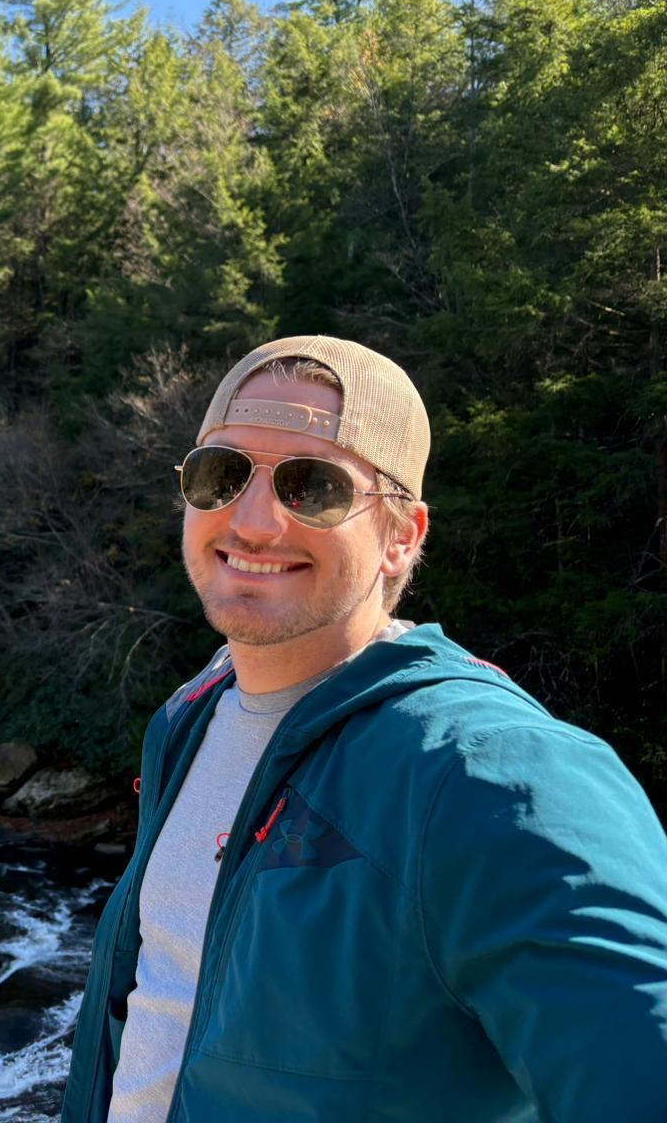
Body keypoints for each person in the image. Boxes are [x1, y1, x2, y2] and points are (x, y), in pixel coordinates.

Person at [59, 335, 667, 1122]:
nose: (252, 521)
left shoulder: (490, 775)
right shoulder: (192, 714)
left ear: (403, 535)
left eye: (313, 487)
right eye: (222, 474)